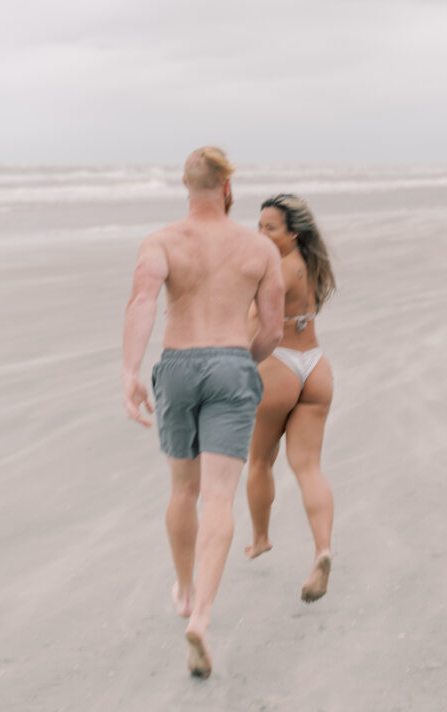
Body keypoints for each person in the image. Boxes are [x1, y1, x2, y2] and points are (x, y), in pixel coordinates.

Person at [122, 147, 284, 679]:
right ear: (229, 190)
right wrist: (241, 362)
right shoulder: (258, 247)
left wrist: (130, 373)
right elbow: (274, 331)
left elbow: (143, 300)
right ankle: (204, 618)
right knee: (218, 497)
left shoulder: (162, 240)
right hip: (232, 364)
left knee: (182, 492)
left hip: (177, 365)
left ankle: (185, 590)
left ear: (186, 189)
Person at [245, 193, 336, 602]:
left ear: (293, 232)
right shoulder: (312, 265)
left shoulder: (271, 271)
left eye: (270, 228)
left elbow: (251, 325)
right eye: (259, 225)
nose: (260, 233)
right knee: (309, 468)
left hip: (278, 366)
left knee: (261, 460)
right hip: (315, 366)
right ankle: (323, 550)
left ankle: (261, 538)